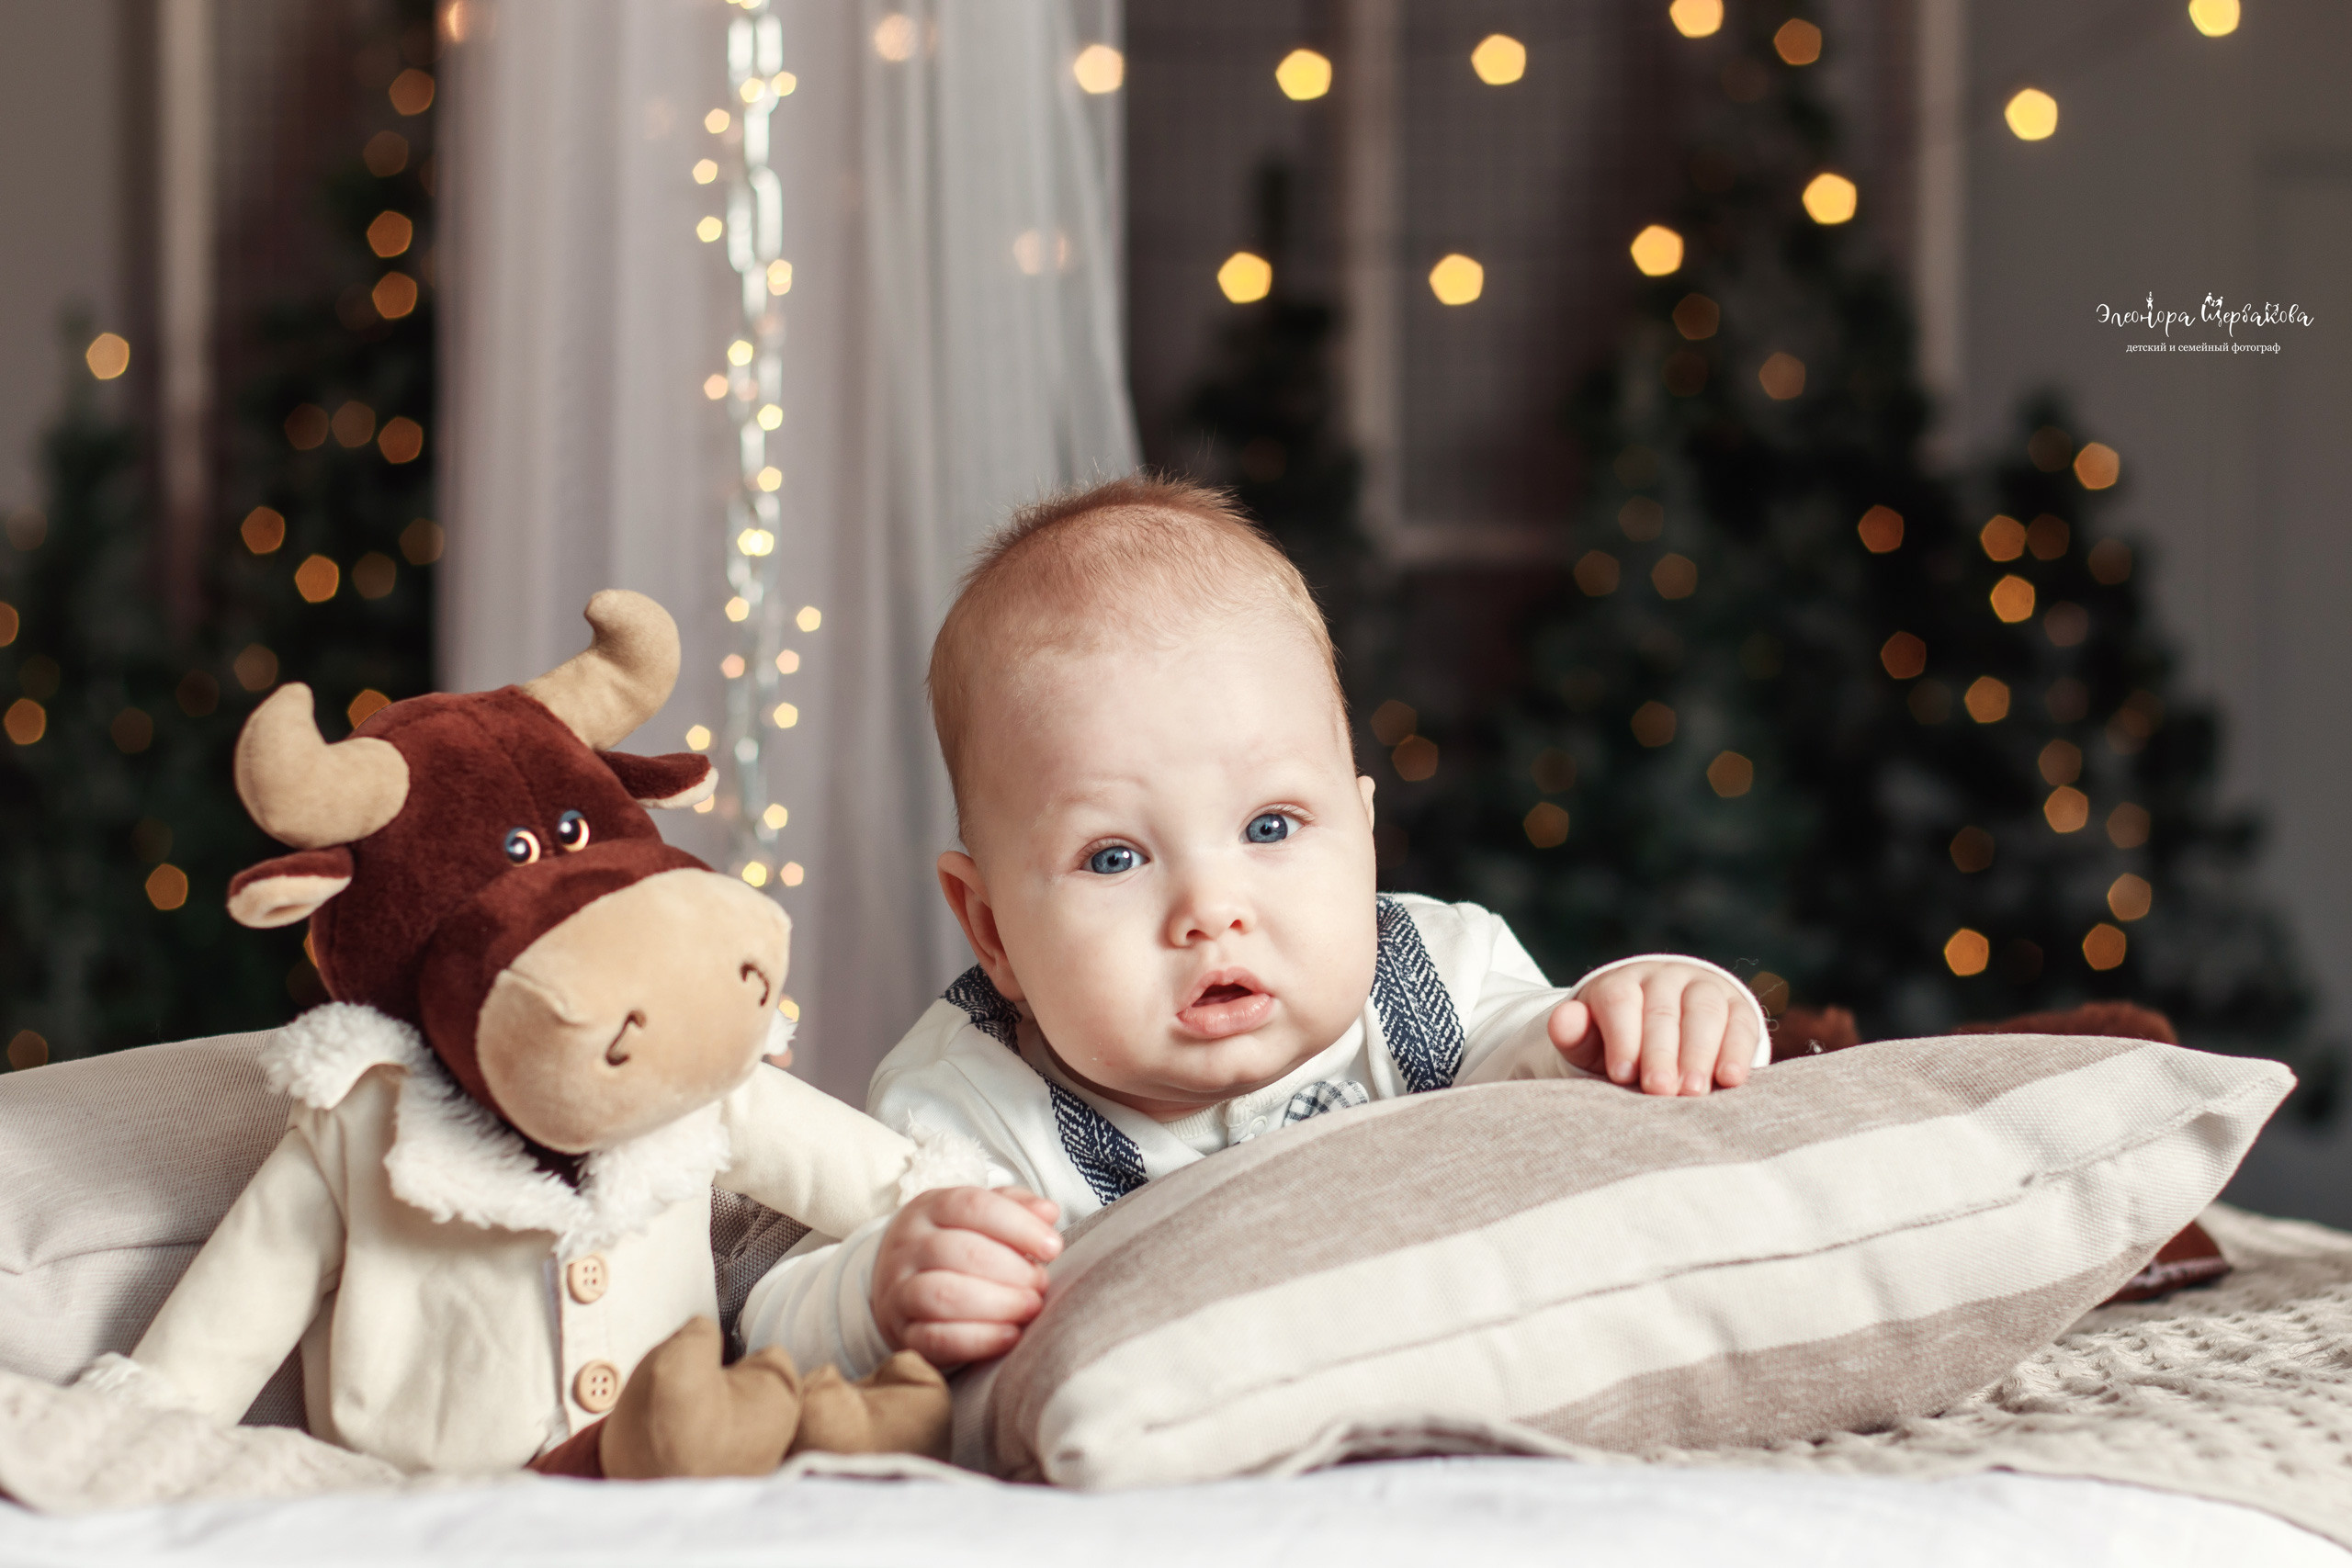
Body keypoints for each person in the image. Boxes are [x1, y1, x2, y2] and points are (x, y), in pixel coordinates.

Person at [738, 476, 1770, 1379]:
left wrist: (1658, 1002)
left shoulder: (1437, 975)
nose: (1209, 910)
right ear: (992, 929)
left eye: (1269, 827)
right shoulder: (972, 1104)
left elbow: (1564, 1060)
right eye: (1113, 858)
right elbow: (770, 1313)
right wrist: (879, 1294)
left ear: (1363, 835)